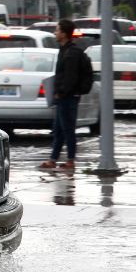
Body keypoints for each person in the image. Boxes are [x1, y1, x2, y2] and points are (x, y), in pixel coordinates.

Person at [40, 19, 86, 169]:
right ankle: (53, 159)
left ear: (64, 34)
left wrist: (61, 92)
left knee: (67, 129)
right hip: (63, 97)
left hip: (68, 97)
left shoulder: (71, 53)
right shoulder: (64, 50)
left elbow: (70, 77)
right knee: (59, 129)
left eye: (57, 30)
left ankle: (71, 160)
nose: (55, 33)